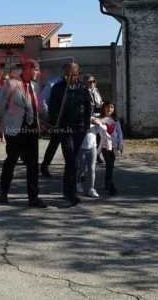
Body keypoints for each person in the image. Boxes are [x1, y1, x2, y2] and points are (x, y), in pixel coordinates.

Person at [0, 59, 47, 208]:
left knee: (33, 165)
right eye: (36, 70)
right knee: (11, 162)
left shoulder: (35, 87)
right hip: (15, 130)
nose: (38, 73)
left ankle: (33, 198)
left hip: (31, 130)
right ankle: (3, 192)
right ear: (28, 69)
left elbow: (37, 107)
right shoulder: (10, 84)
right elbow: (0, 107)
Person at [48, 62, 94, 207]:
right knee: (70, 159)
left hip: (79, 129)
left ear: (78, 73)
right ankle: (71, 193)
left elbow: (88, 107)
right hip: (65, 129)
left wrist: (86, 125)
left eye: (73, 74)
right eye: (67, 74)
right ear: (64, 74)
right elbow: (52, 109)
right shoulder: (58, 88)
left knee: (74, 160)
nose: (70, 77)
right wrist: (56, 124)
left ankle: (67, 190)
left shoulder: (83, 88)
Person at [39, 65, 65, 178]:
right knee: (54, 143)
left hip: (70, 119)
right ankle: (45, 165)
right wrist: (49, 116)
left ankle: (71, 167)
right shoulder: (52, 84)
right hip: (57, 119)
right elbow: (43, 100)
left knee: (68, 144)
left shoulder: (75, 84)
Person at [76, 122, 106, 198]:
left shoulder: (94, 120)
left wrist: (99, 123)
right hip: (81, 148)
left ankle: (91, 189)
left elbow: (103, 129)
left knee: (92, 168)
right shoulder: (81, 120)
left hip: (93, 147)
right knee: (82, 168)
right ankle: (78, 183)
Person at [100, 101, 124, 196]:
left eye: (111, 107)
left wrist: (120, 144)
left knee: (110, 165)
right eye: (107, 107)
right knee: (109, 164)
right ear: (103, 108)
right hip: (105, 145)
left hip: (114, 146)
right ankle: (110, 184)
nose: (109, 109)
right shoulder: (100, 119)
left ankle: (107, 183)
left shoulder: (116, 120)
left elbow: (120, 133)